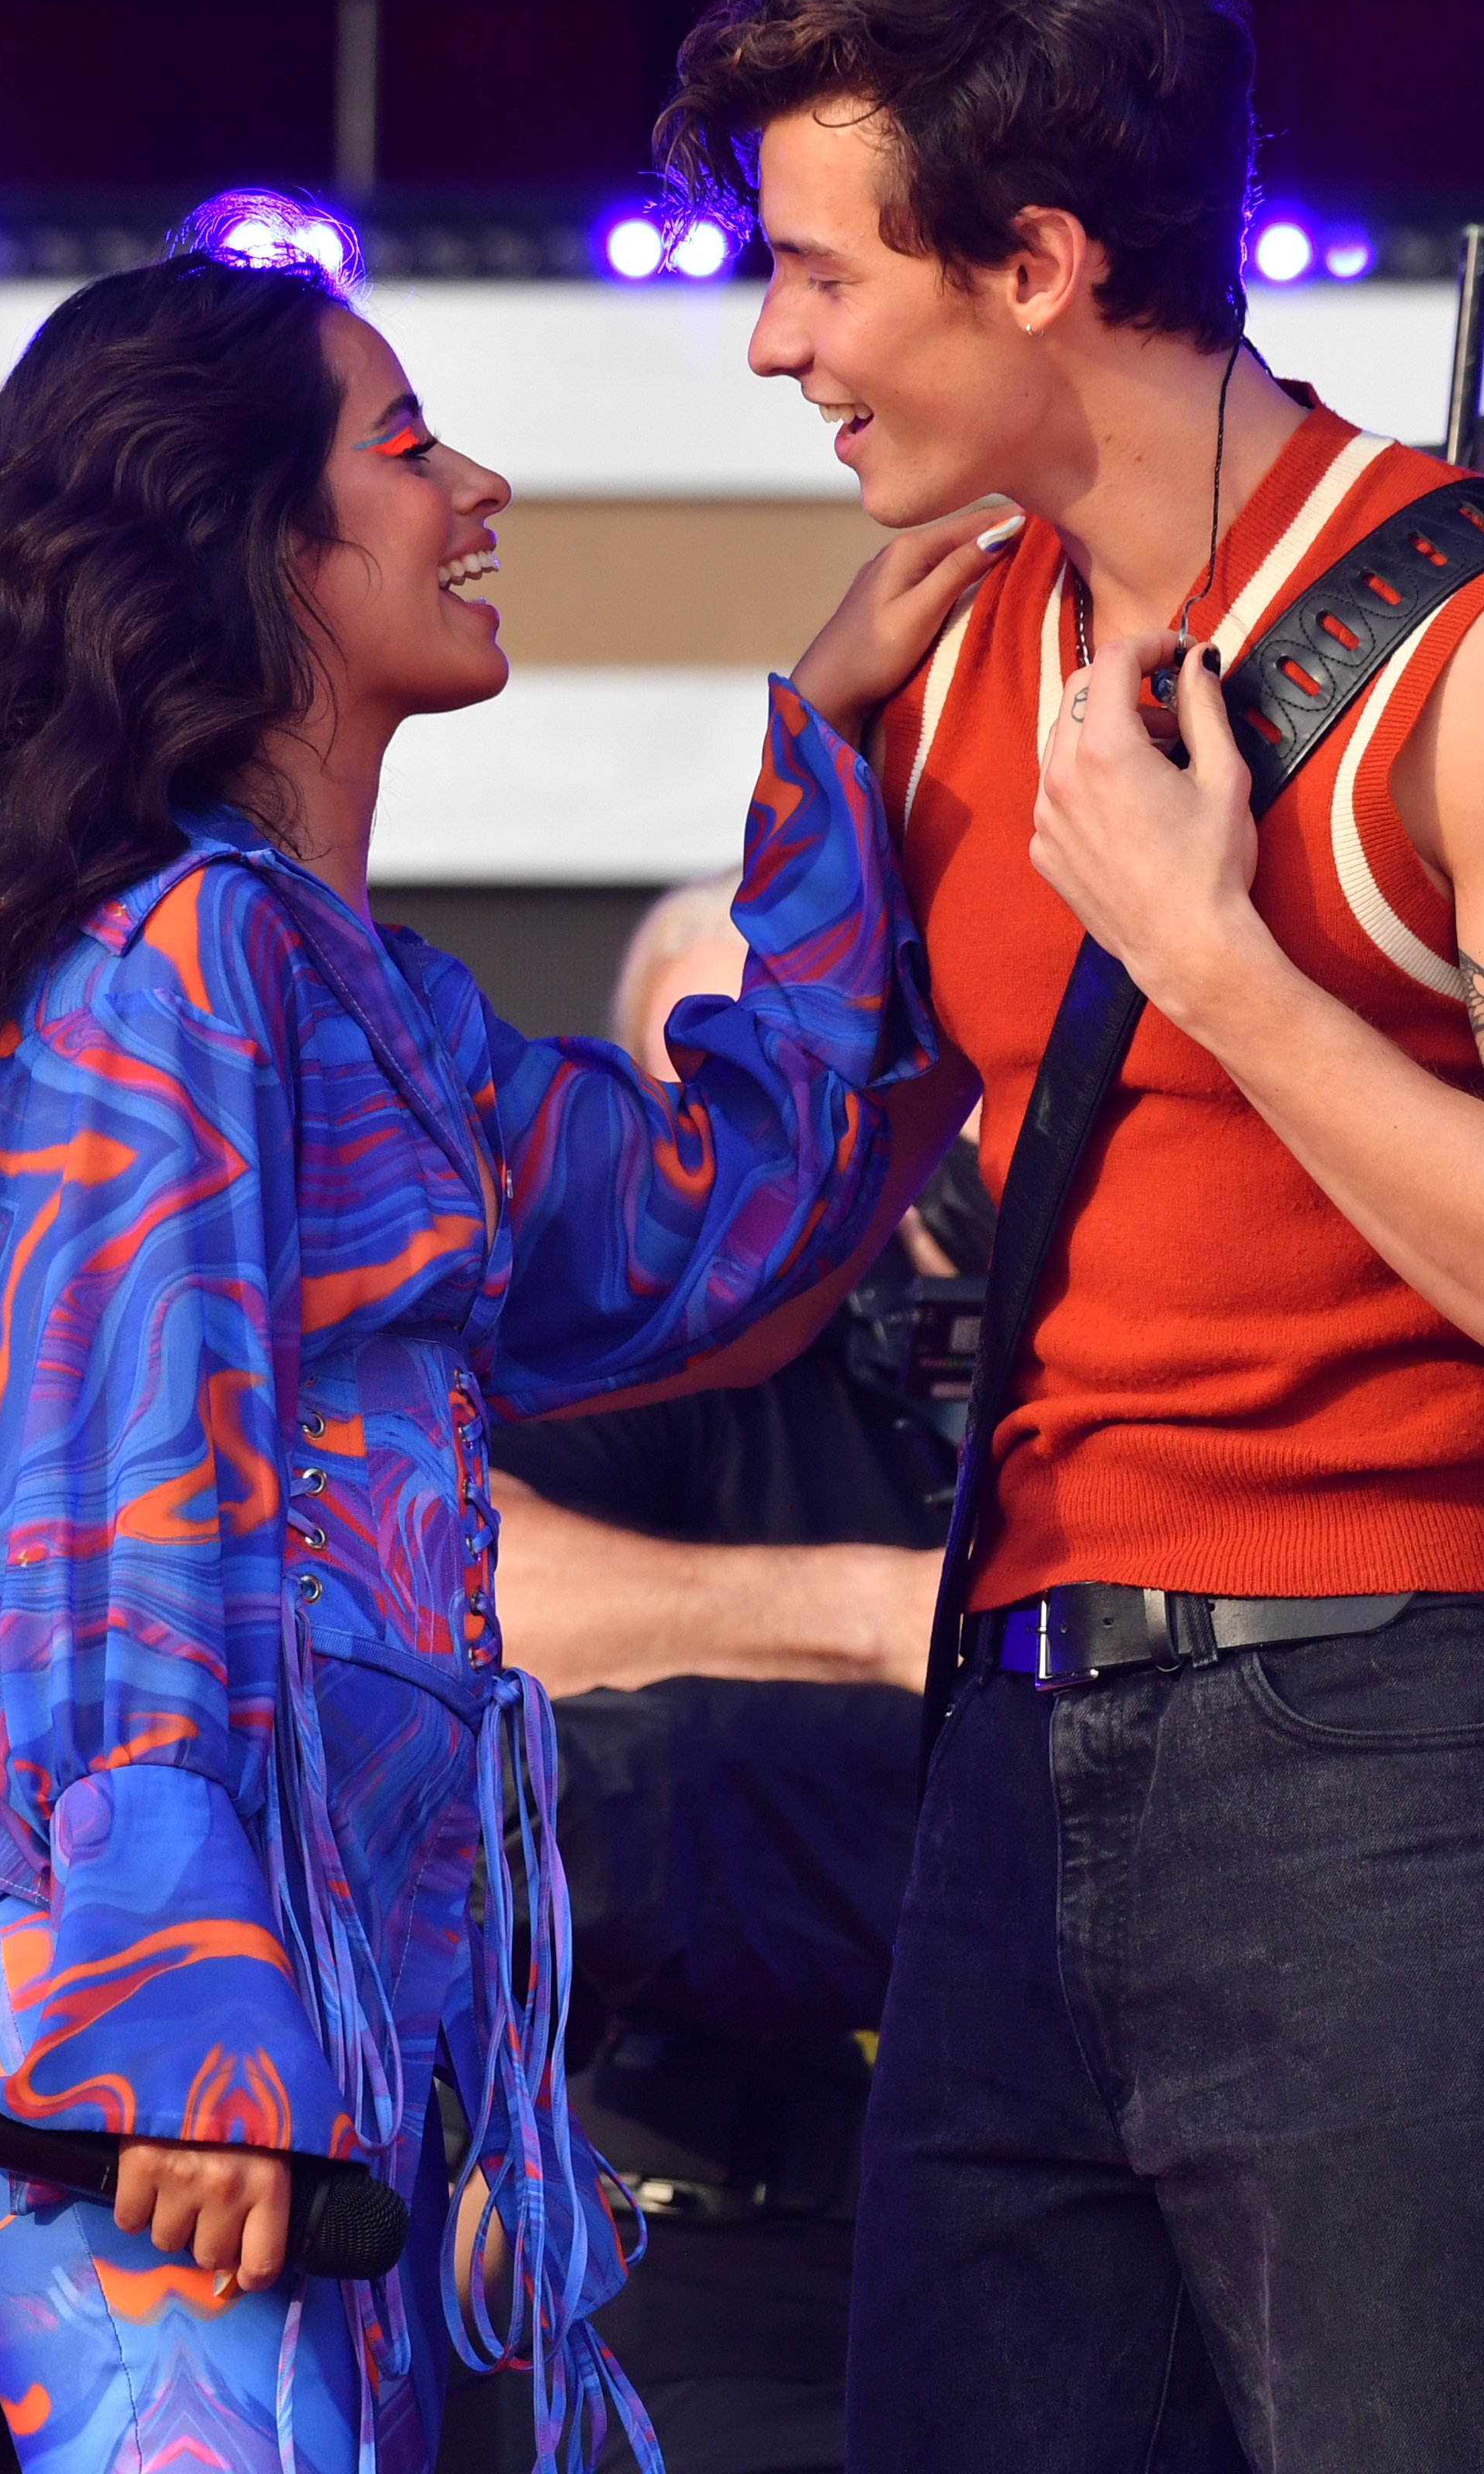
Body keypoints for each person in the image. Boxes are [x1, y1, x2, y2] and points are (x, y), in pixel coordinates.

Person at [0, 212, 989, 2474]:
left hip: (297, 1977)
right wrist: (166, 1973)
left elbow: (713, 1236)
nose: (473, 487)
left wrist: (833, 761)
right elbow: (107, 1489)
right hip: (131, 1961)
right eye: (403, 444)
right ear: (254, 543)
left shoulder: (347, 995)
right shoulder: (178, 956)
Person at [655, 0, 1484, 2474]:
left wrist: (1217, 956)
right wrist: (792, 783)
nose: (770, 342)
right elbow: (766, 1224)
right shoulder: (941, 655)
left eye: (817, 271)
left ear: (1031, 262)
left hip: (1378, 1760)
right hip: (1009, 1748)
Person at [483, 880, 979, 2474]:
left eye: (813, 1086)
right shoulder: (661, 1343)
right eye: (709, 1102)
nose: (768, 1152)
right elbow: (443, 1581)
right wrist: (882, 1612)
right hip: (726, 2245)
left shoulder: (1071, 1326)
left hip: (1090, 2222)